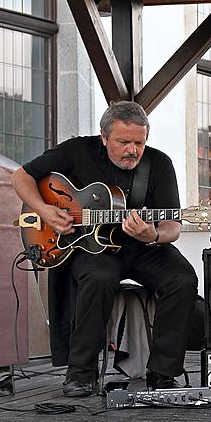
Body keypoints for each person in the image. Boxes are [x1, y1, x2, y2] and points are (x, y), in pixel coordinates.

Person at [11, 101, 198, 397]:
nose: (132, 150)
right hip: (91, 247)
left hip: (143, 247)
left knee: (183, 279)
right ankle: (80, 375)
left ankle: (163, 374)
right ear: (104, 137)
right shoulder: (76, 151)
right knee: (98, 279)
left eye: (139, 142)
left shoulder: (159, 164)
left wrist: (152, 234)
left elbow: (173, 227)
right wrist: (45, 211)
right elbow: (20, 177)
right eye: (123, 142)